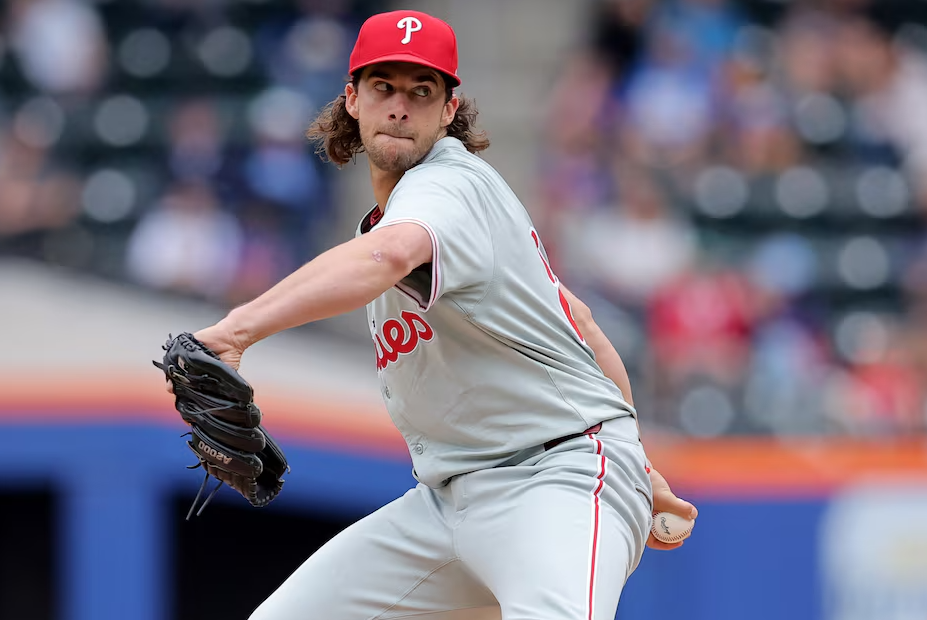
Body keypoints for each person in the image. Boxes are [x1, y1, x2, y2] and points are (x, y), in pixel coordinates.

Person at [189, 10, 698, 619]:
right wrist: (636, 459)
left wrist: (235, 331)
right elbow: (582, 326)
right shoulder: (407, 216)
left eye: (421, 91)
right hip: (448, 503)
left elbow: (391, 253)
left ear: (449, 110)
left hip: (557, 477)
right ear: (352, 98)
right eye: (384, 87)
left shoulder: (447, 184)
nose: (400, 106)